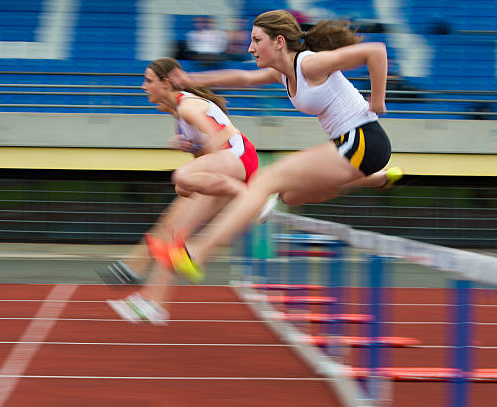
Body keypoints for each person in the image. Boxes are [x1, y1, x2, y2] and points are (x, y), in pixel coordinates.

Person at [146, 9, 403, 282]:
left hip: (362, 139)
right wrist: (192, 80)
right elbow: (243, 78)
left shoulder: (309, 64)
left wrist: (377, 103)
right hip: (354, 148)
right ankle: (373, 179)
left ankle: (198, 252)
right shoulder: (283, 73)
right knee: (290, 196)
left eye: (257, 40)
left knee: (266, 180)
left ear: (279, 42)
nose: (250, 48)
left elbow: (375, 51)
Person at [104, 57, 259, 325]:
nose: (143, 87)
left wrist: (198, 160)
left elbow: (219, 138)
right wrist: (191, 149)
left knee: (182, 181)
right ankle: (153, 303)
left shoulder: (187, 107)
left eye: (148, 81)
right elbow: (207, 153)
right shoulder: (178, 114)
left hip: (239, 159)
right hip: (226, 167)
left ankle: (252, 197)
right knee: (175, 230)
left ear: (166, 84)